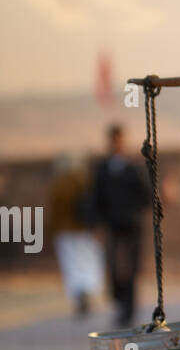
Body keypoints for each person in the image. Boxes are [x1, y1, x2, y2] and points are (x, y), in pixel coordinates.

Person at [91, 124, 151, 327]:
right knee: (114, 267)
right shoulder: (103, 169)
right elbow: (97, 198)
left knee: (131, 268)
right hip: (112, 225)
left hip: (132, 225)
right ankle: (119, 301)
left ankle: (129, 309)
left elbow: (146, 195)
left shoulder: (133, 167)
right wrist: (97, 224)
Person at [47, 153, 104, 317]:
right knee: (87, 260)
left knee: (71, 263)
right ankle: (87, 289)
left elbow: (55, 210)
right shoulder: (84, 181)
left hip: (65, 229)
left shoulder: (58, 184)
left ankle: (78, 293)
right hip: (83, 228)